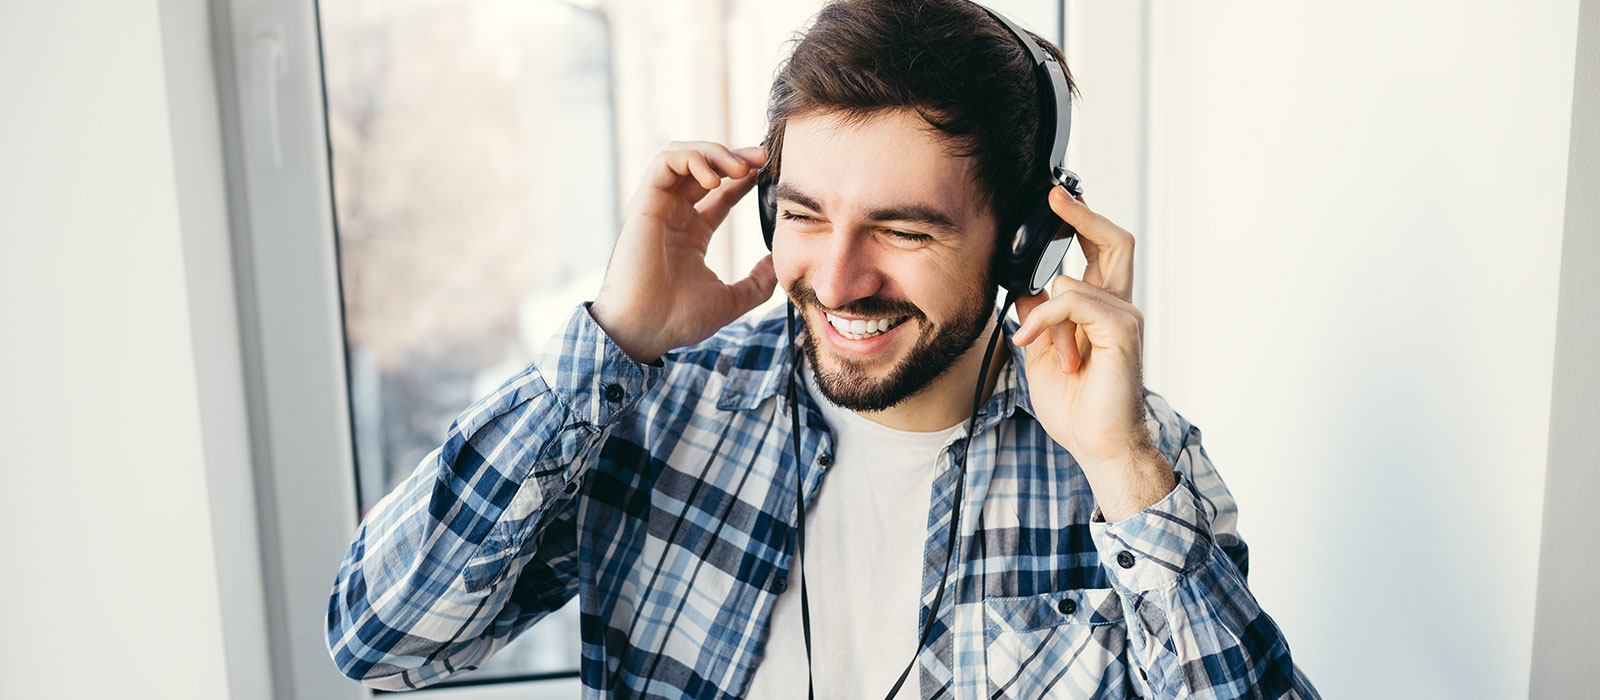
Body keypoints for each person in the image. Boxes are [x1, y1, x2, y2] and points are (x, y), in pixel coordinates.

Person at [325, 0, 1321, 697]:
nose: (838, 279)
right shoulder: (659, 406)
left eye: (904, 228)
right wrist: (614, 341)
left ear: (1023, 243)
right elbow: (381, 641)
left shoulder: (1132, 463)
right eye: (804, 214)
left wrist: (1120, 469)